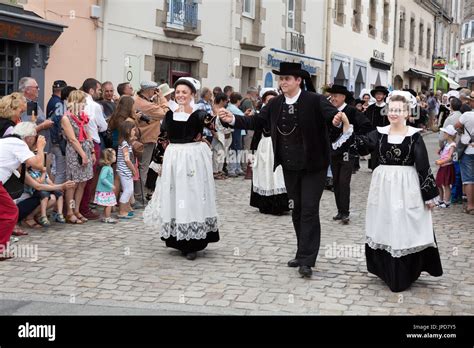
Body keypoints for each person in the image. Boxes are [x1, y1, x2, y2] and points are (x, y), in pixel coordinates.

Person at [218, 62, 342, 278]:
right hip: (290, 165)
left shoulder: (315, 100)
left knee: (310, 210)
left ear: (298, 80)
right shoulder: (275, 103)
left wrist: (336, 120)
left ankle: (307, 259)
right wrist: (233, 120)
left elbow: (333, 117)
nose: (283, 82)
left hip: (314, 165)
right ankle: (301, 251)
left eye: (287, 79)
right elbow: (256, 121)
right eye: (281, 79)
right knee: (296, 208)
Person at [335, 91, 442, 292]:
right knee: (385, 221)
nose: (394, 113)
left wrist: (428, 195)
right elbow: (361, 146)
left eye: (399, 110)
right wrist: (347, 126)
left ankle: (405, 271)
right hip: (383, 185)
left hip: (407, 185)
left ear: (407, 112)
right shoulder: (380, 132)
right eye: (391, 109)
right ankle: (386, 270)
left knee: (405, 222)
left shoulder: (414, 136)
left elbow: (423, 166)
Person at [143, 77, 220, 261]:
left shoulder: (199, 113)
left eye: (184, 92)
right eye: (177, 92)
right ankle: (178, 238)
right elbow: (163, 138)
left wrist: (222, 117)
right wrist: (158, 163)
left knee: (192, 195)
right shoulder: (169, 114)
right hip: (174, 158)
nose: (180, 95)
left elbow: (213, 124)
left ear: (192, 94)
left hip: (192, 158)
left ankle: (193, 242)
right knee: (176, 196)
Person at [0, 122, 47, 260]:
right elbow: (38, 165)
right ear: (29, 138)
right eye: (35, 137)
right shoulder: (18, 144)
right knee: (10, 212)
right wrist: (40, 147)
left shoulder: (7, 141)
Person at [327, 85, 372, 224]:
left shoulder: (351, 111)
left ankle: (345, 212)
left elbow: (366, 125)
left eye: (336, 96)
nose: (333, 98)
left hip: (348, 152)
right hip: (333, 151)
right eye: (332, 96)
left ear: (343, 97)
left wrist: (353, 135)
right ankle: (340, 211)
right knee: (336, 182)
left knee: (344, 182)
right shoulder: (330, 110)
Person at [249, 90, 289, 215]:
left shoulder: (283, 114)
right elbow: (256, 133)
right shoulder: (262, 115)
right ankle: (265, 204)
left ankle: (280, 205)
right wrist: (252, 151)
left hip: (279, 146)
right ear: (264, 102)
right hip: (265, 147)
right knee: (265, 174)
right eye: (268, 100)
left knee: (278, 175)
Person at [61, 90, 95, 224]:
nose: (85, 104)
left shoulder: (82, 116)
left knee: (82, 183)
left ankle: (77, 210)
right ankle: (69, 211)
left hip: (85, 149)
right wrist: (83, 155)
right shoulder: (66, 117)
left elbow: (88, 134)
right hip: (75, 152)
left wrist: (91, 152)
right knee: (73, 183)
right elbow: (72, 139)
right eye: (83, 102)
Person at [133, 81, 169, 206]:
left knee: (141, 167)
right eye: (154, 90)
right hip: (146, 139)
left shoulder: (137, 100)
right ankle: (140, 197)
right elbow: (165, 112)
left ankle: (140, 195)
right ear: (148, 90)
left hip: (142, 138)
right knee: (143, 168)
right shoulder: (145, 104)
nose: (155, 92)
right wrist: (162, 98)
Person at [80, 78, 107, 220]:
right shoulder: (94, 105)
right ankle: (84, 208)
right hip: (92, 141)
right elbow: (103, 126)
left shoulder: (76, 103)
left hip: (79, 142)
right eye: (98, 90)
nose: (99, 92)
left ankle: (75, 208)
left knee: (79, 178)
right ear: (91, 90)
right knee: (88, 177)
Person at [19, 77, 54, 151]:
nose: (38, 89)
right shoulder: (29, 104)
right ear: (27, 90)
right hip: (34, 148)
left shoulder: (31, 103)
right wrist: (44, 125)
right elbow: (28, 130)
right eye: (36, 87)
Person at [117, 122, 138, 219]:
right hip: (124, 170)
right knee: (127, 190)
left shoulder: (126, 142)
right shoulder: (124, 143)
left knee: (129, 190)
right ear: (127, 131)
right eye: (133, 129)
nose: (135, 131)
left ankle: (125, 209)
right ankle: (122, 211)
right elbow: (126, 159)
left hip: (125, 170)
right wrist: (133, 169)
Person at [455, 111, 474, 214]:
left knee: (469, 179)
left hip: (468, 150)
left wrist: (463, 130)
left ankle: (471, 206)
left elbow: (456, 125)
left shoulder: (467, 115)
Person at [365, 86, 389, 170]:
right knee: (374, 151)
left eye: (380, 94)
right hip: (373, 133)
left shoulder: (388, 108)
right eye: (377, 94)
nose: (378, 96)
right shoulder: (370, 108)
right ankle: (374, 167)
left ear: (384, 95)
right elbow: (366, 121)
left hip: (385, 133)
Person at [210, 93, 232, 179]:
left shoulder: (223, 109)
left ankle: (219, 171)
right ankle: (215, 172)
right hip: (218, 134)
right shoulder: (214, 109)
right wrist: (213, 133)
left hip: (225, 134)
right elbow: (211, 123)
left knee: (223, 154)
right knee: (216, 154)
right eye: (226, 101)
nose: (227, 102)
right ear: (222, 101)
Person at [435, 125, 457, 208]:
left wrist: (440, 161)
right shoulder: (446, 143)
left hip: (447, 166)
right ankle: (440, 200)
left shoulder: (452, 145)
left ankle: (446, 201)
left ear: (449, 135)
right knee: (438, 183)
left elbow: (449, 157)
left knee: (446, 184)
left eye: (445, 133)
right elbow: (444, 153)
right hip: (442, 166)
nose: (443, 134)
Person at [94, 148, 118, 223]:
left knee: (107, 204)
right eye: (114, 155)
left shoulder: (109, 168)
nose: (115, 157)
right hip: (105, 190)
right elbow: (102, 178)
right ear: (109, 158)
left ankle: (105, 216)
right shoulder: (106, 168)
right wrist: (111, 185)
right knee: (109, 204)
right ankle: (107, 217)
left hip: (107, 190)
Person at [226, 92, 246, 177]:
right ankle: (232, 169)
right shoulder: (232, 108)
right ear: (237, 100)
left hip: (239, 131)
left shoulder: (233, 107)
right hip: (235, 131)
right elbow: (242, 116)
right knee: (234, 150)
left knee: (238, 149)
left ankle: (237, 168)